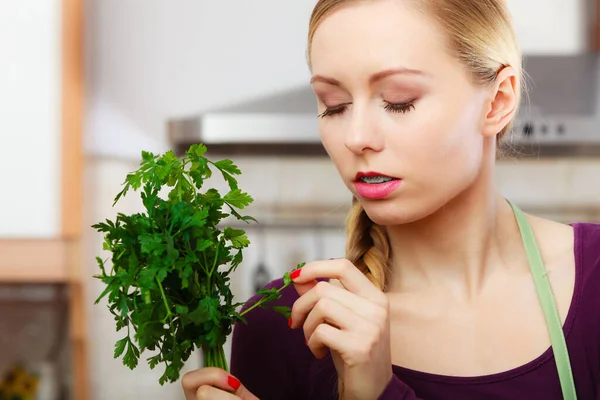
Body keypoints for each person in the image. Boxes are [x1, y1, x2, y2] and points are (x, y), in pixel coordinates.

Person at [181, 0, 600, 398]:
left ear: (498, 101)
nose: (356, 137)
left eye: (399, 102)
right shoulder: (284, 326)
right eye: (334, 105)